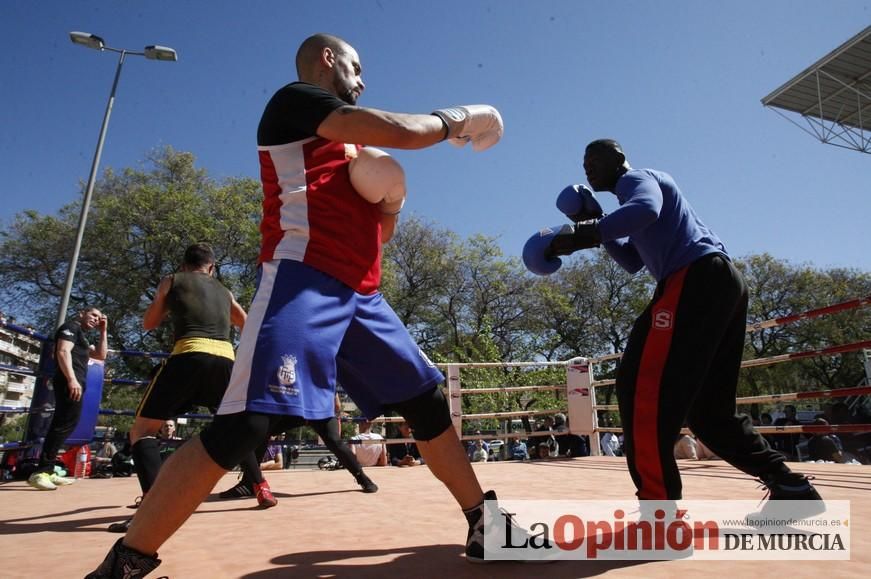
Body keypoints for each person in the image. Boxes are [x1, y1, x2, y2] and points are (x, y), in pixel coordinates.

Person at [87, 32, 505, 576]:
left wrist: (393, 200)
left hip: (362, 296)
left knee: (426, 403)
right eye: (357, 66)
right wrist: (464, 117)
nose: (363, 78)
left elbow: (376, 237)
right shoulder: (296, 103)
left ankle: (484, 524)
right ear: (328, 60)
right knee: (244, 425)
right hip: (301, 283)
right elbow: (405, 131)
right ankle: (125, 562)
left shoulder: (347, 149)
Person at [523, 139, 821, 504]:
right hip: (718, 283)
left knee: (639, 386)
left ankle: (658, 507)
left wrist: (582, 235)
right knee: (709, 414)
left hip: (693, 278)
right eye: (584, 163)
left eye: (594, 160)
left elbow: (645, 208)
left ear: (618, 158)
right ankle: (791, 487)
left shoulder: (638, 180)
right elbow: (633, 261)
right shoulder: (629, 206)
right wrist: (590, 224)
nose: (588, 168)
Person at [106, 243, 250, 533]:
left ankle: (153, 509)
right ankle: (258, 485)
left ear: (184, 265)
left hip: (189, 354)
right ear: (212, 266)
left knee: (142, 431)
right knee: (235, 427)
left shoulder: (172, 279)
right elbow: (245, 324)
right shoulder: (224, 290)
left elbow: (149, 322)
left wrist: (166, 298)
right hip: (225, 360)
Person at [27, 308, 107, 490]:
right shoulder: (71, 326)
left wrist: (103, 331)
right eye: (93, 315)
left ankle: (48, 469)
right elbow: (62, 351)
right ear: (81, 313)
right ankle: (41, 472)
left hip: (76, 382)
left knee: (66, 423)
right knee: (63, 424)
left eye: (99, 317)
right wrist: (71, 379)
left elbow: (101, 355)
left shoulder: (83, 337)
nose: (96, 319)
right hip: (68, 381)